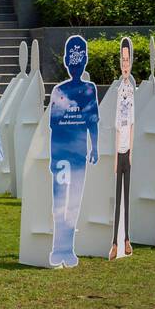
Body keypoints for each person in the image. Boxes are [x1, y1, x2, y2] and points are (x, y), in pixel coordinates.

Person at [48, 35, 99, 268]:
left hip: (79, 154)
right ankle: (58, 248)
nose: (76, 63)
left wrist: (95, 147)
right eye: (74, 58)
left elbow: (92, 121)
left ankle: (68, 248)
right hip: (61, 155)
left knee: (74, 201)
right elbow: (54, 126)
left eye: (80, 57)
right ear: (67, 61)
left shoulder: (89, 90)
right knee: (59, 200)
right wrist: (52, 157)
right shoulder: (59, 91)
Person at [110, 36, 136, 260]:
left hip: (128, 152)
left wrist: (131, 151)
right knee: (118, 198)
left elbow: (133, 123)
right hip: (119, 152)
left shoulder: (131, 88)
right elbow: (117, 125)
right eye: (122, 59)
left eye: (127, 60)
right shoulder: (120, 90)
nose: (125, 64)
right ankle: (115, 242)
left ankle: (126, 238)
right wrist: (116, 157)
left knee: (126, 198)